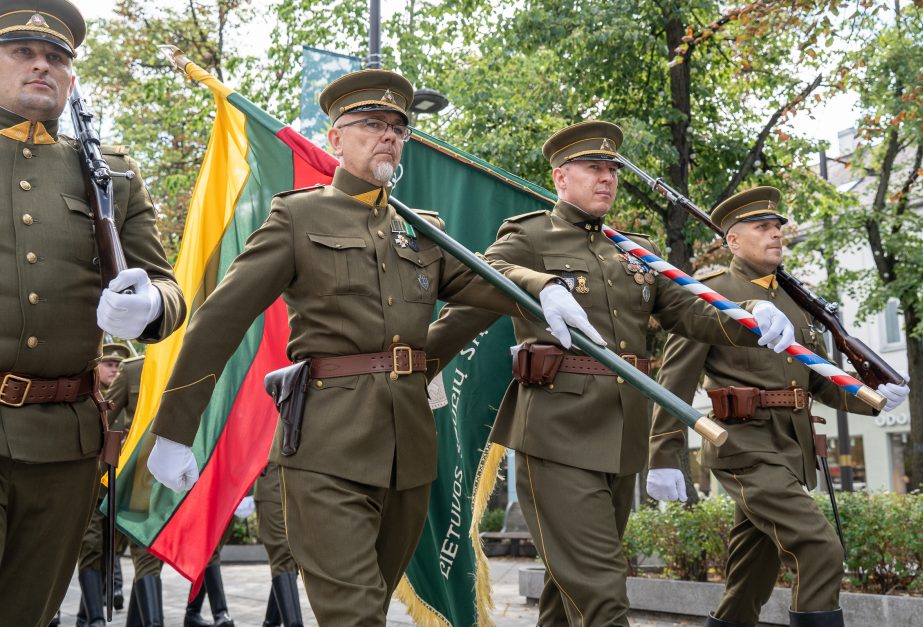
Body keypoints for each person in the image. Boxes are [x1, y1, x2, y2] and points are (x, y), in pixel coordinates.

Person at [145, 69, 602, 625]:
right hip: (326, 448)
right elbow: (219, 319)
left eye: (397, 127)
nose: (388, 134)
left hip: (407, 451)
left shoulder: (422, 229)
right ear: (334, 138)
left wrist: (541, 289)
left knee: (370, 609)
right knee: (355, 614)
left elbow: (486, 282)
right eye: (370, 124)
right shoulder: (297, 216)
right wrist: (173, 430)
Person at [423, 121, 797, 626]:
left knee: (568, 586)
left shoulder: (634, 250)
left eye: (612, 170)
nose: (606, 179)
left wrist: (749, 312)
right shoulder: (529, 235)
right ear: (560, 178)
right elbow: (482, 283)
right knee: (602, 591)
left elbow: (691, 311)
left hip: (621, 437)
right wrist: (415, 367)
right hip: (555, 434)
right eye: (593, 168)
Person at [0, 1, 186, 624]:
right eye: (22, 53)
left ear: (71, 78)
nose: (41, 66)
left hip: (63, 440)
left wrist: (151, 306)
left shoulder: (111, 177)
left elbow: (168, 285)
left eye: (56, 58)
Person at [647, 186, 910, 627]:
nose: (776, 235)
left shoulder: (796, 302)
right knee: (819, 546)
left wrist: (875, 398)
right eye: (762, 228)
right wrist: (663, 454)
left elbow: (821, 381)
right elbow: (673, 381)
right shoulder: (709, 295)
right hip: (743, 446)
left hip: (791, 447)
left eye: (778, 228)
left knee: (753, 570)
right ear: (732, 240)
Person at [73, 342, 131, 627]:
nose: (115, 369)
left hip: (116, 485)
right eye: (109, 364)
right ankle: (96, 617)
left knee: (109, 550)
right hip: (90, 484)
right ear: (97, 367)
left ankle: (85, 615)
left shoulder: (127, 400)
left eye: (119, 366)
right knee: (91, 546)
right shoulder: (87, 397)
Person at [107, 353, 168, 627]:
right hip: (139, 471)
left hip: (175, 472)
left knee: (157, 553)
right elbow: (106, 418)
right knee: (145, 551)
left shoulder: (191, 361)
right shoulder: (132, 369)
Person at [254, 462, 304, 627]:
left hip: (300, 483)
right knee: (283, 555)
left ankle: (271, 623)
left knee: (293, 558)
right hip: (273, 481)